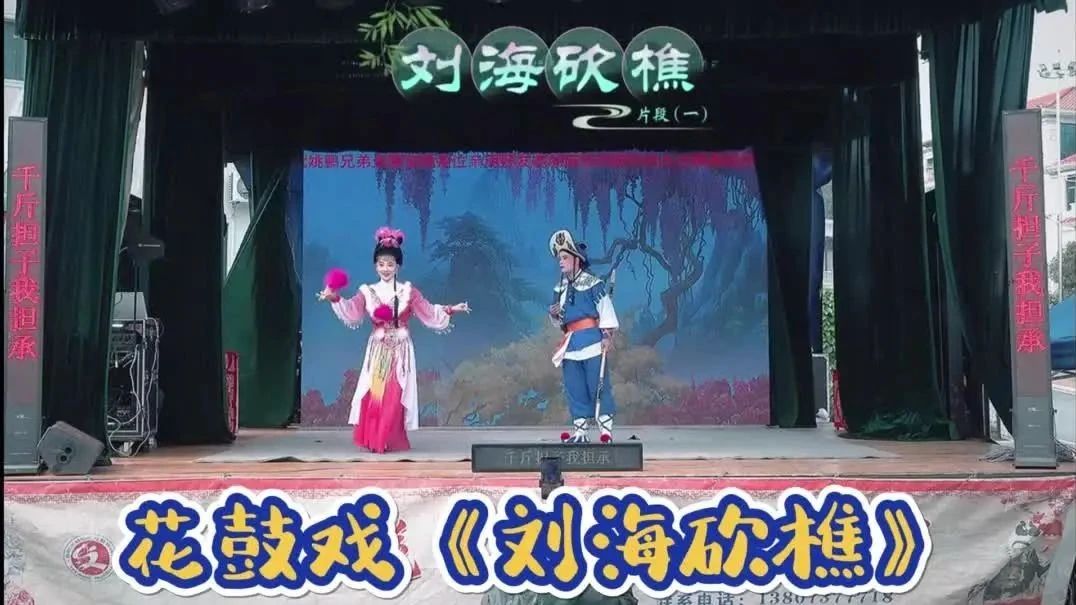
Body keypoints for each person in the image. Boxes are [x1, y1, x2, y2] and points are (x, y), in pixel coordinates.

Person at [319, 227, 470, 453]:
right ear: (375, 266)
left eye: (390, 264)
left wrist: (450, 309)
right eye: (381, 264)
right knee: (376, 394)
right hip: (378, 349)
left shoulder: (408, 292)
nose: (385, 268)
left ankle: (387, 439)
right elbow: (352, 311)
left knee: (394, 394)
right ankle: (375, 440)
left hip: (401, 351)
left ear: (398, 266)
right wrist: (335, 298)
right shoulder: (367, 291)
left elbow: (428, 311)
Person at [547, 229, 619, 443]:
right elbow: (560, 321)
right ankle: (580, 432)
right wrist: (554, 314)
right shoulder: (559, 288)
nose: (561, 262)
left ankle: (605, 432)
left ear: (577, 259)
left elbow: (605, 309)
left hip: (592, 341)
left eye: (565, 257)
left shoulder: (593, 284)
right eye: (559, 258)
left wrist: (606, 335)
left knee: (598, 386)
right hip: (570, 343)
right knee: (575, 388)